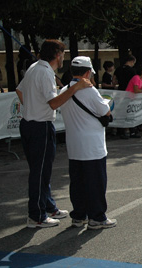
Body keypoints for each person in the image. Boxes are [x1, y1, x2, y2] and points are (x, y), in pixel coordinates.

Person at [16, 39, 92, 228]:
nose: (63, 58)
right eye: (63, 54)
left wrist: (32, 108)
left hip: (30, 124)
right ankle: (36, 216)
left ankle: (48, 206)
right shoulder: (45, 72)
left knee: (43, 169)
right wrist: (75, 87)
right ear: (57, 54)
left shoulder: (34, 67)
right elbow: (54, 103)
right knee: (39, 172)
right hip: (39, 126)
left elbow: (19, 90)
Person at [59, 56, 116, 229]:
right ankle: (97, 217)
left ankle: (78, 215)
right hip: (92, 146)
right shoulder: (90, 90)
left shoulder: (64, 90)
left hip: (74, 146)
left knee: (77, 183)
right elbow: (105, 111)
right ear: (88, 72)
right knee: (95, 183)